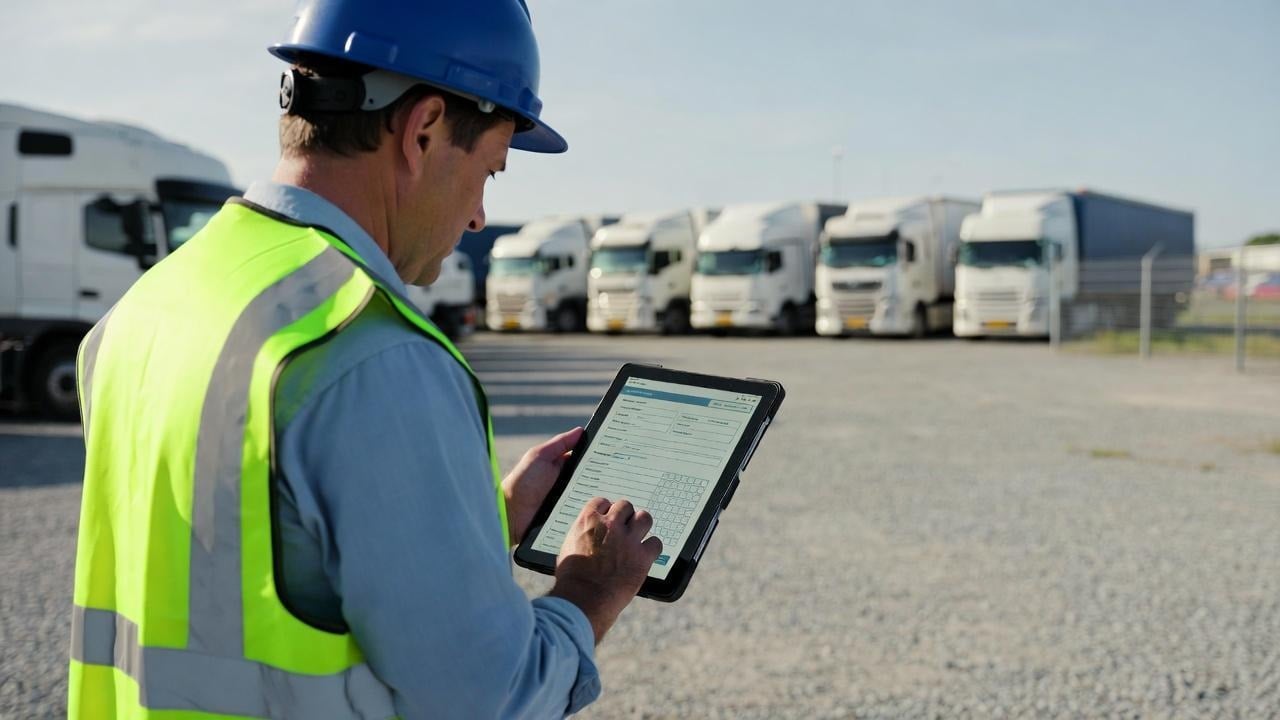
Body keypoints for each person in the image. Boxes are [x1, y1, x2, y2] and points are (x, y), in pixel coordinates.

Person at [68, 1, 662, 717]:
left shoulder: (153, 304)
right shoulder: (370, 353)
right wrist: (590, 592)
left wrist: (486, 520)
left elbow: (249, 559)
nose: (477, 215)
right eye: (490, 172)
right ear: (424, 129)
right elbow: (493, 698)